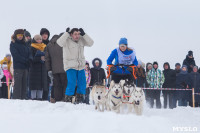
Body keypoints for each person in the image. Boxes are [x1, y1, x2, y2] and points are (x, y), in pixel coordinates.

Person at [57, 28, 94, 103]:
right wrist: (66, 33)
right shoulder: (66, 40)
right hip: (70, 66)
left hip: (80, 66)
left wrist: (84, 34)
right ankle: (68, 100)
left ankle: (80, 100)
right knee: (72, 83)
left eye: (78, 34)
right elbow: (59, 43)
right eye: (75, 34)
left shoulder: (81, 40)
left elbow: (91, 43)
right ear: (71, 34)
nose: (77, 36)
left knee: (82, 84)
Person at [10, 29, 32, 99]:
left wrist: (30, 59)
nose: (20, 36)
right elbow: (16, 55)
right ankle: (16, 100)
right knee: (18, 85)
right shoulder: (13, 44)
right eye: (18, 35)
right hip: (18, 67)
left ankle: (23, 100)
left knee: (24, 85)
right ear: (16, 36)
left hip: (25, 67)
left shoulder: (26, 44)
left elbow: (30, 52)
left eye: (21, 35)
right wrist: (25, 60)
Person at [45, 34, 67, 102]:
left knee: (56, 85)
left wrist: (49, 69)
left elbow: (47, 58)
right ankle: (64, 98)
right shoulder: (62, 44)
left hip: (54, 70)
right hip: (64, 68)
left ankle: (57, 99)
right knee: (65, 84)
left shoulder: (49, 45)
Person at [29, 35, 47, 100]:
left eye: (40, 39)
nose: (39, 40)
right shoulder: (31, 47)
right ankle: (33, 98)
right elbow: (31, 59)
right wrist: (39, 58)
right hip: (34, 70)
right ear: (34, 40)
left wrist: (45, 59)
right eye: (37, 39)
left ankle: (40, 98)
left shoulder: (44, 47)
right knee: (34, 86)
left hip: (42, 69)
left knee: (41, 86)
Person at [40, 28, 50, 100]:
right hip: (40, 67)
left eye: (46, 34)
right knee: (40, 84)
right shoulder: (38, 44)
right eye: (43, 34)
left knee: (47, 84)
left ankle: (46, 99)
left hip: (48, 66)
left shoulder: (50, 44)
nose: (44, 35)